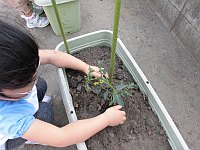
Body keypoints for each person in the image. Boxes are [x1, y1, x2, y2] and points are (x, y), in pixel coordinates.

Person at [0, 20, 126, 150]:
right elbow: (61, 137)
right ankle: (31, 137)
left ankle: (31, 106)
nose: (35, 78)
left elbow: (51, 56)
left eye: (33, 74)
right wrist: (106, 119)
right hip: (7, 137)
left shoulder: (14, 63)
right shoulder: (8, 118)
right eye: (27, 80)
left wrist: (86, 68)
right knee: (45, 113)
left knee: (41, 85)